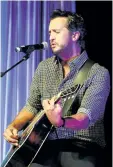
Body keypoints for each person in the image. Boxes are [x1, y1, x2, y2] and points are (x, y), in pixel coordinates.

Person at [3, 9, 110, 167]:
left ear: (75, 35)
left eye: (57, 32)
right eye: (49, 32)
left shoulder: (98, 73)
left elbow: (85, 118)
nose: (51, 37)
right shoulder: (44, 68)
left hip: (82, 147)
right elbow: (32, 106)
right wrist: (14, 126)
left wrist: (60, 122)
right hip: (43, 147)